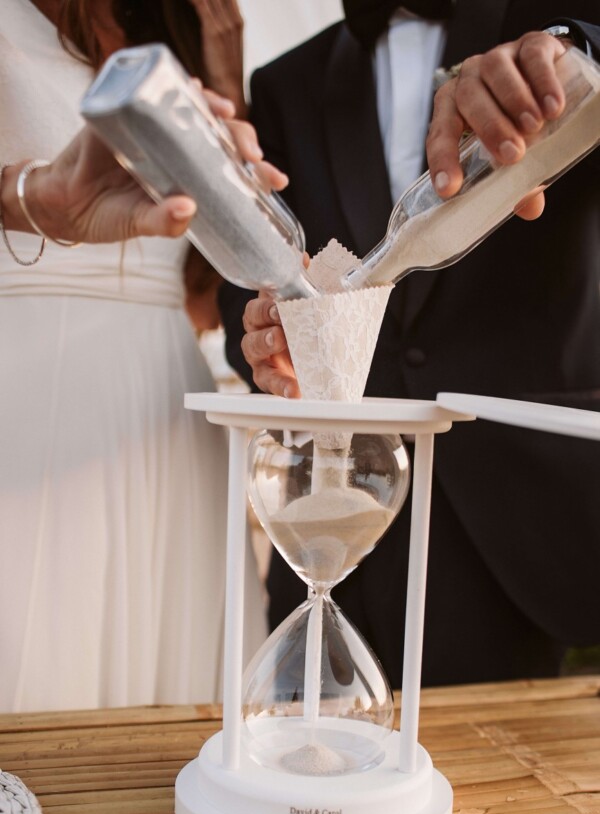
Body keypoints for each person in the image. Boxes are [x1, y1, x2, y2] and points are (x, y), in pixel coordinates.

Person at [219, 1, 600, 688]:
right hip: (337, 521)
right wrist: (269, 341)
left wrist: (573, 49)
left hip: (521, 524)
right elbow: (247, 284)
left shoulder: (554, 26)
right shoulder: (286, 83)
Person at [0, 0, 285, 712]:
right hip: (30, 378)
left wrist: (224, 75)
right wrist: (32, 195)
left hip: (169, 393)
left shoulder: (175, 34)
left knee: (185, 713)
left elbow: (200, 292)